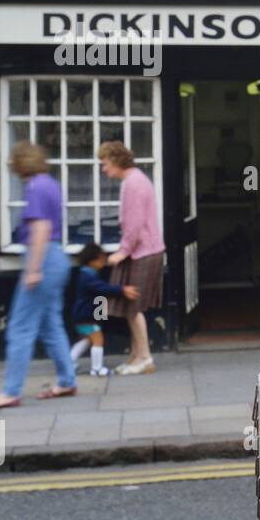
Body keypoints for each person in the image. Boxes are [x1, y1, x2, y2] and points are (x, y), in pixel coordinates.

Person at [0, 142, 76, 408]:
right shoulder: (51, 184)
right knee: (51, 325)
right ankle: (67, 380)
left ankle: (10, 391)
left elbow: (41, 229)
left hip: (42, 259)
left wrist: (33, 270)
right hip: (58, 258)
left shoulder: (34, 187)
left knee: (20, 328)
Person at [98, 140, 166, 376]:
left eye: (105, 163)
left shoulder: (132, 184)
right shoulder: (136, 179)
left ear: (116, 161)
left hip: (142, 253)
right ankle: (136, 356)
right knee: (131, 307)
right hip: (146, 251)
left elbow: (134, 224)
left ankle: (145, 358)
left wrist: (122, 252)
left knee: (134, 308)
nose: (103, 169)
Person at [68, 243, 139, 378]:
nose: (103, 262)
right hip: (86, 316)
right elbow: (102, 289)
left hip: (84, 316)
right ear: (92, 261)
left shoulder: (86, 274)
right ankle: (97, 368)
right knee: (98, 340)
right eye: (101, 260)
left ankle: (69, 362)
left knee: (87, 340)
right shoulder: (88, 277)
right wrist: (122, 290)